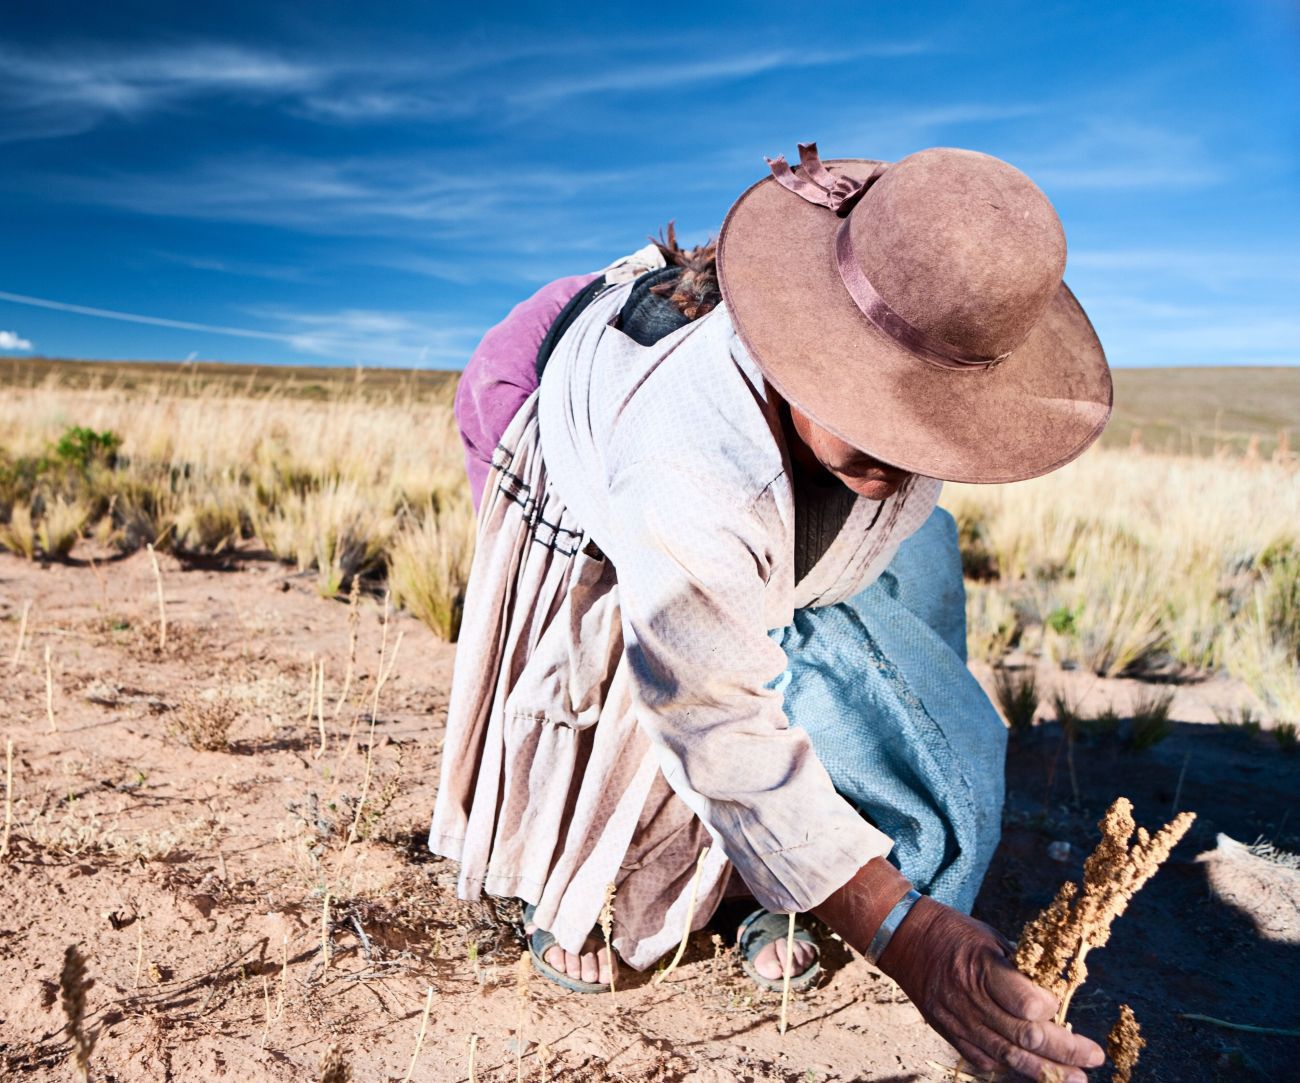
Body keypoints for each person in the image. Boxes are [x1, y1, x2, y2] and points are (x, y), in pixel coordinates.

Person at [431, 143, 1113, 1082]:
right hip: (543, 388)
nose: (897, 448)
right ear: (812, 340)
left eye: (929, 414)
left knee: (888, 588)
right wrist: (904, 933)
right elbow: (706, 700)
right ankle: (579, 892)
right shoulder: (684, 459)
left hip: (729, 473)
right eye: (872, 398)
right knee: (637, 659)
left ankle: (778, 881)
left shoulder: (912, 358)